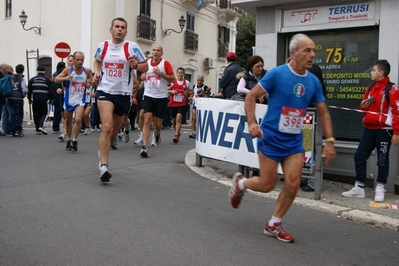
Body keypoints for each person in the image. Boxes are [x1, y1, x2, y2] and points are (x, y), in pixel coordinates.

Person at [228, 33, 336, 243]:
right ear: (294, 53)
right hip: (271, 137)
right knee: (267, 184)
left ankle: (273, 224)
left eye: (314, 50)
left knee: (293, 182)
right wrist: (252, 123)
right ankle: (241, 184)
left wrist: (330, 140)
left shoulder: (313, 81)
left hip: (294, 140)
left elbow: (323, 111)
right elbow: (251, 95)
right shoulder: (277, 74)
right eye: (308, 50)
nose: (313, 54)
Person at [92, 17, 148, 182]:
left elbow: (145, 66)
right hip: (105, 91)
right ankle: (103, 165)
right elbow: (97, 61)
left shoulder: (132, 47)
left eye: (123, 27)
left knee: (114, 131)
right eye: (116, 26)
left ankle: (104, 151)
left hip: (123, 94)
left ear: (126, 31)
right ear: (111, 29)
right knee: (107, 126)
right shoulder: (103, 46)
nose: (119, 29)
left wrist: (136, 66)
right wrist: (96, 73)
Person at [342, 59, 399, 202]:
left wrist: (397, 132)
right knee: (359, 155)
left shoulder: (392, 89)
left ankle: (380, 188)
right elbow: (363, 109)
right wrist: (364, 106)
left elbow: (397, 111)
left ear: (381, 72)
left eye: (373, 70)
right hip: (369, 128)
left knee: (382, 160)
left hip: (384, 130)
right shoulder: (370, 87)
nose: (371, 72)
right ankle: (359, 187)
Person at [140, 44, 175, 157]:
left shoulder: (165, 63)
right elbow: (142, 75)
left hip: (161, 96)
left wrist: (160, 74)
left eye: (158, 50)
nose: (155, 52)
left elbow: (172, 78)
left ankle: (157, 133)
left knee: (158, 123)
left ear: (161, 53)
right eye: (154, 50)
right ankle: (144, 147)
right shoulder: (147, 63)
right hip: (149, 94)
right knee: (147, 120)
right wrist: (143, 77)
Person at [55, 51, 92, 152]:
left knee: (79, 119)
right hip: (69, 99)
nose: (80, 62)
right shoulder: (68, 70)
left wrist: (88, 83)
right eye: (78, 60)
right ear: (74, 60)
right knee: (68, 120)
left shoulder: (86, 70)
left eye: (82, 60)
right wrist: (65, 78)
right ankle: (69, 139)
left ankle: (75, 141)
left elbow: (90, 78)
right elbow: (56, 79)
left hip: (80, 99)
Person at [168, 67, 193, 143]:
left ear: (184, 74)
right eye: (179, 73)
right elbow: (166, 90)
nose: (180, 74)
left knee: (179, 118)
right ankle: (177, 132)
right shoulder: (173, 82)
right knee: (174, 121)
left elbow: (192, 91)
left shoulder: (187, 83)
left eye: (182, 73)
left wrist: (188, 93)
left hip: (182, 103)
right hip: (173, 103)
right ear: (177, 73)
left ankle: (176, 135)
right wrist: (172, 91)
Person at [28, 66, 54, 135]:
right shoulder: (47, 80)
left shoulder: (32, 80)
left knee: (36, 113)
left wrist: (29, 99)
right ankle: (40, 125)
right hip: (44, 99)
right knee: (44, 113)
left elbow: (29, 90)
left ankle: (37, 128)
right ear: (44, 71)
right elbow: (51, 90)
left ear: (37, 71)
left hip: (35, 99)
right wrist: (52, 98)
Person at [7, 64, 27, 137]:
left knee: (12, 114)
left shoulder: (10, 78)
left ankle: (12, 131)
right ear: (23, 71)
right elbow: (24, 90)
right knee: (20, 114)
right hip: (18, 98)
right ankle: (18, 130)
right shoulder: (22, 79)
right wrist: (23, 95)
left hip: (10, 97)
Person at [52, 61, 66, 135]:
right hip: (59, 95)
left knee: (57, 111)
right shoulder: (59, 74)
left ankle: (56, 127)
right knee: (59, 112)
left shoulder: (54, 74)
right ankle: (56, 128)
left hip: (55, 95)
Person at [0, 63, 14, 136]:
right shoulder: (4, 76)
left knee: (3, 114)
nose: (11, 70)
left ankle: (5, 129)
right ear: (4, 69)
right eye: (9, 69)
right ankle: (7, 129)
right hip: (1, 96)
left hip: (2, 97)